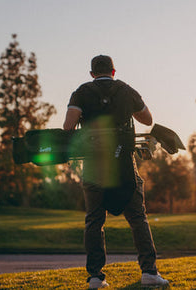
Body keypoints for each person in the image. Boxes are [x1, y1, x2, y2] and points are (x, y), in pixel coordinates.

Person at [63, 55, 169, 288]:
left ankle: (95, 277)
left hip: (93, 165)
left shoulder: (80, 92)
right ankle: (149, 272)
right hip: (123, 164)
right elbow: (147, 119)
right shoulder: (126, 90)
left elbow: (68, 127)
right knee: (138, 218)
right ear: (113, 71)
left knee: (94, 220)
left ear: (92, 74)